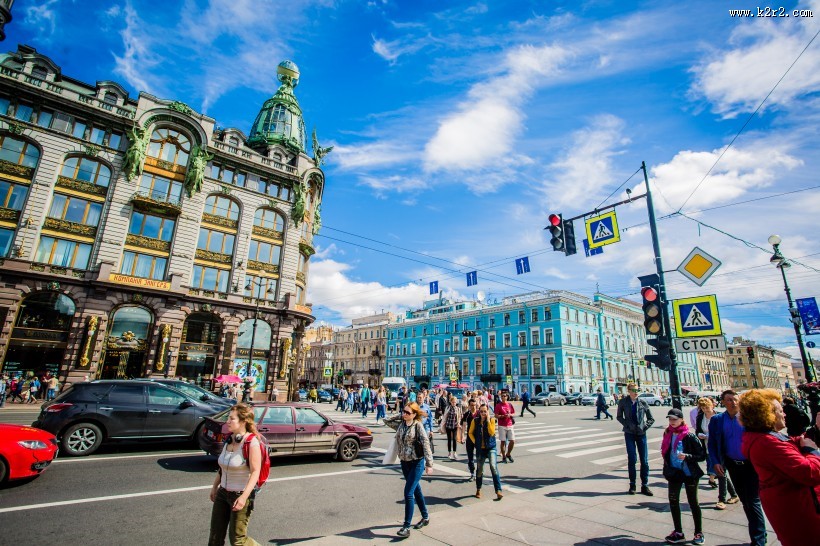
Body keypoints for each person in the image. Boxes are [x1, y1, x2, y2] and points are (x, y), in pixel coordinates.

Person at [739, 389, 820, 546]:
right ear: (766, 414)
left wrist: (815, 431)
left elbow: (792, 444)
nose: (784, 414)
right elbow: (810, 473)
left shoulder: (765, 437)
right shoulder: (766, 443)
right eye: (780, 411)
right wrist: (812, 452)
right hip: (799, 514)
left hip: (793, 507)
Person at [708, 389, 766, 546]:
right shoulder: (717, 420)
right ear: (723, 402)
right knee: (746, 502)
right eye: (728, 400)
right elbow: (712, 443)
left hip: (750, 464)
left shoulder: (749, 418)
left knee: (753, 500)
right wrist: (716, 461)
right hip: (732, 464)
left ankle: (759, 540)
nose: (733, 402)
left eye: (735, 399)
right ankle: (757, 535)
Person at [208, 404, 262, 546]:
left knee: (238, 540)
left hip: (240, 494)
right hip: (222, 493)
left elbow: (256, 472)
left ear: (243, 422)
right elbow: (223, 467)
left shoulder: (251, 442)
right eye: (228, 418)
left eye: (232, 419)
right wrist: (215, 487)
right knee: (215, 536)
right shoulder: (229, 439)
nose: (227, 421)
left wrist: (244, 497)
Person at [384, 402, 434, 538]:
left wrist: (429, 464)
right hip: (404, 462)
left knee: (408, 493)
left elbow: (426, 444)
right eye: (404, 412)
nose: (405, 414)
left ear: (414, 414)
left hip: (417, 462)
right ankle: (425, 517)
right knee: (416, 490)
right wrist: (399, 415)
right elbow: (386, 420)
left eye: (408, 412)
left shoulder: (418, 426)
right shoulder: (400, 424)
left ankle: (406, 526)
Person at [661, 408, 706, 545]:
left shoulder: (689, 436)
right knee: (673, 501)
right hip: (674, 472)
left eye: (675, 419)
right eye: (670, 419)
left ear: (681, 420)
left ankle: (698, 532)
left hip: (689, 473)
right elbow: (666, 451)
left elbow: (702, 456)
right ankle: (678, 532)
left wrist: (687, 456)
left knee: (693, 503)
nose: (672, 422)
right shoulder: (668, 433)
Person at [691, 397, 738, 508]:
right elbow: (698, 430)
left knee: (720, 471)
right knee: (721, 472)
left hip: (720, 447)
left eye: (707, 407)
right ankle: (734, 495)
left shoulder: (720, 417)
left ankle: (721, 499)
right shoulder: (700, 417)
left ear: (712, 406)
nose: (705, 410)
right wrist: (699, 435)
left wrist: (712, 436)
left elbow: (726, 432)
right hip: (708, 446)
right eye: (702, 408)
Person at [616, 382, 655, 496]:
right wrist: (627, 425)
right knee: (632, 459)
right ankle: (632, 484)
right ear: (628, 391)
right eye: (633, 390)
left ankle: (645, 485)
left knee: (644, 460)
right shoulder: (623, 402)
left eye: (637, 390)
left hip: (641, 434)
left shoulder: (642, 402)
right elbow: (619, 417)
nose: (636, 392)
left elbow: (651, 418)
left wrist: (644, 426)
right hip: (629, 433)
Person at [469, 403, 503, 500]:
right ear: (479, 412)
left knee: (493, 466)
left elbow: (492, 432)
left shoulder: (492, 420)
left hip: (491, 447)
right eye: (481, 411)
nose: (483, 413)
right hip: (480, 449)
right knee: (480, 470)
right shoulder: (475, 421)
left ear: (488, 412)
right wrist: (475, 442)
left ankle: (498, 490)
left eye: (485, 411)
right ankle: (478, 489)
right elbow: (470, 433)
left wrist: (487, 421)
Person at [494, 391, 516, 463]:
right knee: (503, 442)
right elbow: (496, 415)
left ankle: (508, 454)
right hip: (502, 425)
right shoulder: (498, 405)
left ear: (507, 397)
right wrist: (503, 416)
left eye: (504, 396)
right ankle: (503, 456)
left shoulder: (509, 404)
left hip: (509, 424)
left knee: (512, 441)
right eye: (502, 396)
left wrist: (510, 415)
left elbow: (514, 412)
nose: (503, 397)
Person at [460, 398, 479, 480]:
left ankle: (478, 472)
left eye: (475, 405)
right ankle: (472, 473)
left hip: (478, 438)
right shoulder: (467, 414)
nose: (473, 407)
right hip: (470, 438)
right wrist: (462, 436)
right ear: (469, 406)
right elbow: (464, 425)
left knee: (479, 457)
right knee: (470, 457)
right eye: (472, 405)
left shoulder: (479, 413)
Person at [440, 395, 463, 460]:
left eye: (455, 402)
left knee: (455, 439)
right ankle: (449, 452)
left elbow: (459, 417)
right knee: (449, 439)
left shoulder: (458, 408)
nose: (454, 403)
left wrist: (459, 423)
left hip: (455, 425)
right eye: (453, 402)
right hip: (448, 425)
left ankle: (454, 452)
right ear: (450, 402)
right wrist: (442, 425)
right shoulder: (448, 408)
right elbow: (445, 417)